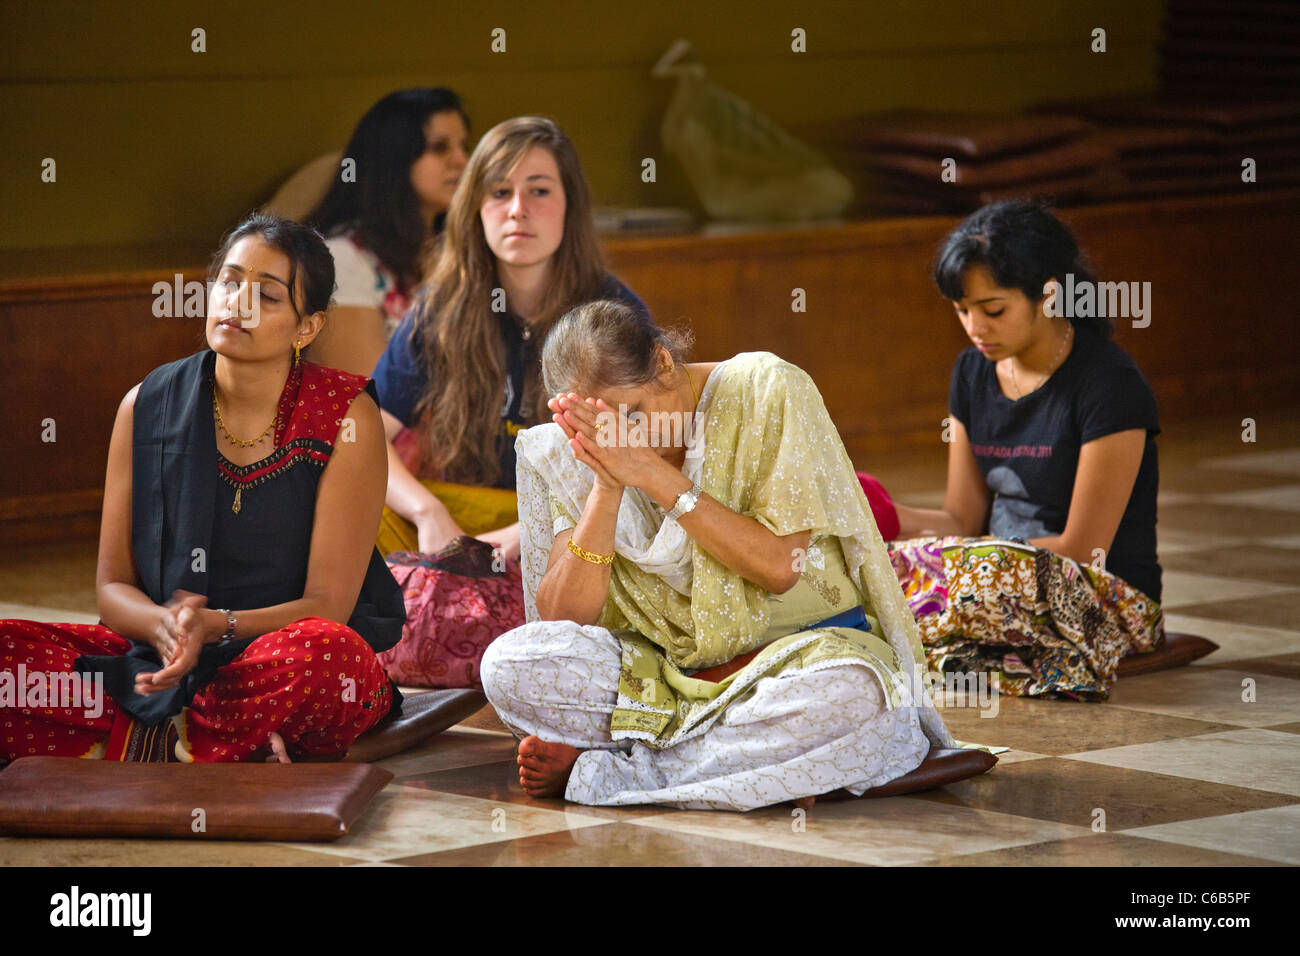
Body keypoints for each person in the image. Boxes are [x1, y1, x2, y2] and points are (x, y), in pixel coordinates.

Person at [478, 300, 967, 811]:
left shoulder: (766, 387)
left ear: (663, 362)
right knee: (510, 665)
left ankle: (616, 767)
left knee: (857, 697)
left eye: (634, 417)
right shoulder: (575, 453)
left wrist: (652, 475)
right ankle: (764, 765)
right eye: (602, 432)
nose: (625, 440)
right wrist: (607, 485)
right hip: (664, 677)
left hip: (797, 661)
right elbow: (562, 617)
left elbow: (781, 569)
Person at [0, 214, 405, 764]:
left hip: (276, 655)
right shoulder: (145, 405)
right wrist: (166, 626)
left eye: (265, 295)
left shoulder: (343, 418)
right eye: (229, 282)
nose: (237, 303)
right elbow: (113, 591)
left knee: (330, 657)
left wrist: (218, 626)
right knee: (8, 653)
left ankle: (140, 741)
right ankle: (214, 743)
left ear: (307, 327)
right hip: (158, 660)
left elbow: (328, 606)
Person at [367, 117, 652, 689]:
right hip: (462, 527)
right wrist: (429, 515)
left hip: (576, 526)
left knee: (645, 526)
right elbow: (363, 435)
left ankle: (474, 632)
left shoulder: (612, 307)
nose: (517, 208)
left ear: (569, 205)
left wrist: (532, 530)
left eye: (539, 190)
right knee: (354, 504)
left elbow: (651, 450)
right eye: (499, 192)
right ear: (474, 207)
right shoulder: (439, 308)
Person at [887, 199, 1164, 700]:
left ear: (1051, 296)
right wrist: (879, 516)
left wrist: (955, 562)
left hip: (1105, 597)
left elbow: (1085, 551)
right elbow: (961, 518)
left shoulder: (1109, 384)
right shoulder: (971, 372)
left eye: (993, 310)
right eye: (962, 310)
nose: (975, 328)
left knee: (950, 575)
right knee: (874, 563)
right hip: (994, 580)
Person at [306, 88, 471, 377]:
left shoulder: (457, 251)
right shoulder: (342, 259)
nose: (462, 161)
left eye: (463, 146)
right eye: (439, 147)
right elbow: (366, 395)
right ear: (394, 157)